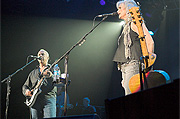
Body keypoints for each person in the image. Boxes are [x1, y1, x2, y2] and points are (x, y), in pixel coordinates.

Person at [113, 0, 155, 95]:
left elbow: (150, 41)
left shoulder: (135, 23)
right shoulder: (126, 27)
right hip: (126, 66)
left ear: (128, 9)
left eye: (120, 8)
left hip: (134, 64)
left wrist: (148, 65)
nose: (118, 11)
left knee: (132, 98)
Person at [22, 49, 57, 119]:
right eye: (39, 55)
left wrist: (50, 76)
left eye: (42, 54)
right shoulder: (33, 73)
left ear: (48, 57)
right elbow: (25, 86)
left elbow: (56, 81)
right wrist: (26, 91)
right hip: (35, 101)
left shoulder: (53, 68)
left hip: (48, 99)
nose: (40, 56)